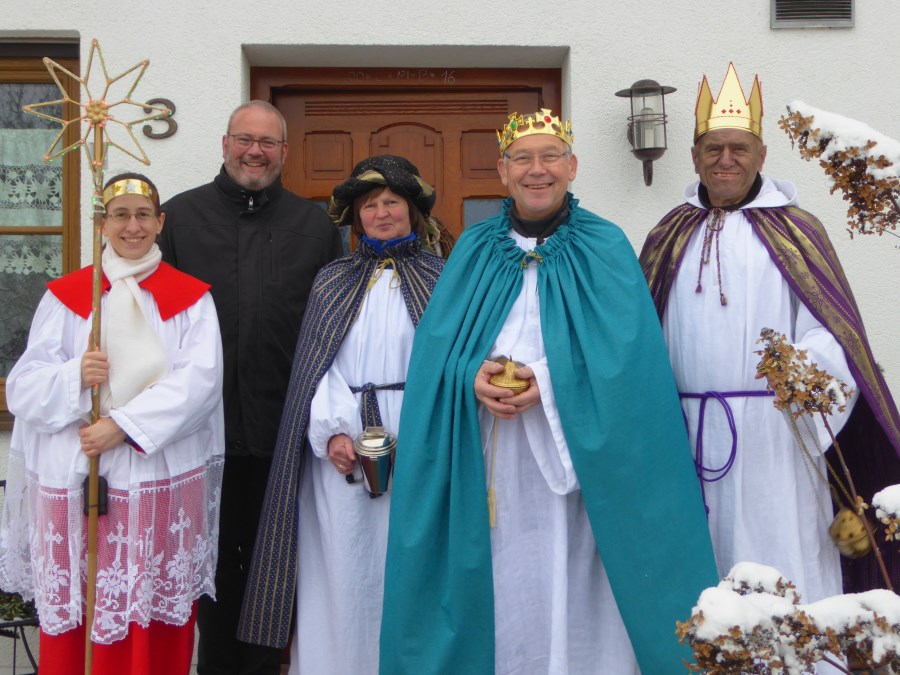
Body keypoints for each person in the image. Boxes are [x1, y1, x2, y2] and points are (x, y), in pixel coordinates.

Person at [378, 109, 718, 674]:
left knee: (574, 581)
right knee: (505, 578)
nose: (538, 171)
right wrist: (472, 377)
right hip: (493, 457)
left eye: (550, 157)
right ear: (503, 172)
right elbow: (439, 352)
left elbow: (629, 360)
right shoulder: (474, 249)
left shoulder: (605, 245)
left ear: (572, 166)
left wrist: (551, 381)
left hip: (582, 463)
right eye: (523, 160)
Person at [640, 62, 900, 625]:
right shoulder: (668, 233)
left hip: (778, 438)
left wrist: (806, 382)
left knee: (783, 558)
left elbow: (831, 330)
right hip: (685, 435)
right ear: (693, 156)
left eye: (738, 147)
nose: (725, 159)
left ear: (761, 156)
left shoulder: (797, 229)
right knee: (698, 573)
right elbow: (642, 333)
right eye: (712, 148)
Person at [0, 173, 224, 675]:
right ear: (102, 223)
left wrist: (121, 425)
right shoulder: (68, 296)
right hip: (78, 478)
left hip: (154, 478)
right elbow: (24, 387)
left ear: (160, 222)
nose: (132, 226)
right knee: (80, 611)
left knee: (150, 611)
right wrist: (74, 376)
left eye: (143, 215)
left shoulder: (190, 300)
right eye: (120, 214)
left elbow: (200, 384)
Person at [237, 155, 448, 673]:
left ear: (412, 211)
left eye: (392, 202)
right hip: (342, 441)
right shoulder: (333, 280)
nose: (381, 213)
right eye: (370, 205)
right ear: (357, 217)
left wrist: (426, 432)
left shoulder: (443, 278)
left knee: (413, 561)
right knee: (342, 564)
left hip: (418, 433)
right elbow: (317, 365)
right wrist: (333, 431)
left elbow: (449, 360)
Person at [158, 100, 343, 675]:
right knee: (209, 582)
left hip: (284, 439)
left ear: (284, 153)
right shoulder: (179, 219)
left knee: (276, 584)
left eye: (267, 143)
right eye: (245, 139)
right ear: (224, 143)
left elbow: (336, 328)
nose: (255, 152)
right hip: (199, 441)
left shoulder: (313, 227)